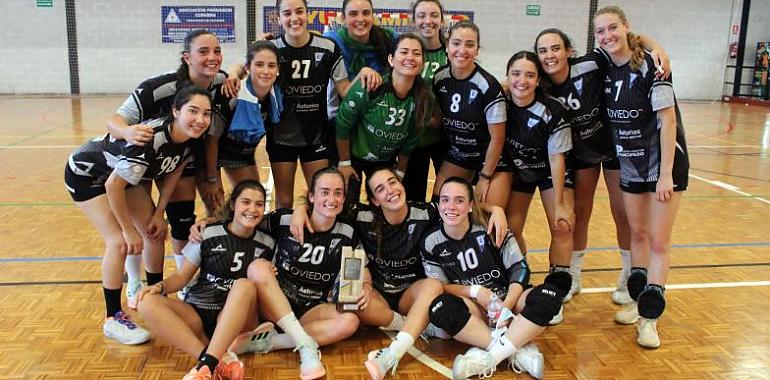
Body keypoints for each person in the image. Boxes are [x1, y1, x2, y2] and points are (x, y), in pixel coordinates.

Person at [289, 167, 510, 379]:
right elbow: (325, 205)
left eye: (392, 182)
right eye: (380, 189)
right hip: (377, 295)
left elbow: (457, 204)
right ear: (374, 200)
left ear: (401, 184)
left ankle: (393, 352)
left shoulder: (425, 212)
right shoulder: (361, 216)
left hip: (409, 295)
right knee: (348, 296)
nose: (390, 190)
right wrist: (300, 209)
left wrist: (496, 209)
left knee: (433, 285)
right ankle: (414, 323)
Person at [64, 86, 212, 345]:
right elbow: (112, 186)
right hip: (87, 176)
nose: (200, 119)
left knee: (155, 233)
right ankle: (113, 318)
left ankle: (153, 296)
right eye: (193, 111)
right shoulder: (151, 140)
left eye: (206, 113)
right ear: (175, 111)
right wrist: (128, 230)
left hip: (122, 176)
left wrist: (158, 213)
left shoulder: (192, 138)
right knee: (119, 242)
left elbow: (173, 173)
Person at [534, 28, 670, 304]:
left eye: (556, 48)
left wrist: (657, 47)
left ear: (569, 51)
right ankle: (572, 274)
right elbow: (514, 82)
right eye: (544, 50)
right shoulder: (541, 83)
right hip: (580, 154)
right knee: (580, 213)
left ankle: (630, 275)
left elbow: (630, 37)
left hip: (612, 149)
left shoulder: (590, 63)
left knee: (622, 214)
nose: (550, 55)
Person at [107, 29, 232, 304]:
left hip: (180, 158)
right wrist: (128, 133)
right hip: (142, 156)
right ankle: (135, 282)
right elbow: (115, 120)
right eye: (203, 52)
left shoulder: (220, 80)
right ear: (186, 57)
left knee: (180, 219)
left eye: (217, 51)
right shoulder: (158, 88)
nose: (212, 57)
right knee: (145, 227)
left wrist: (238, 73)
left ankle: (181, 281)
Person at [594, 5, 689, 348]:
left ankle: (651, 319)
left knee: (659, 242)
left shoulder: (651, 66)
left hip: (664, 165)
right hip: (630, 163)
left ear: (626, 28)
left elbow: (668, 121)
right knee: (638, 233)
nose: (607, 36)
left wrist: (665, 175)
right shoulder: (605, 66)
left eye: (612, 28)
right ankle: (638, 300)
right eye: (601, 31)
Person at [421, 177, 563, 379]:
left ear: (471, 205)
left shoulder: (491, 226)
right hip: (473, 307)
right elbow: (440, 286)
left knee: (550, 295)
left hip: (509, 300)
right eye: (445, 200)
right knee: (440, 307)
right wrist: (475, 291)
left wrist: (506, 306)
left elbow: (519, 269)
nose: (451, 206)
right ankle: (516, 349)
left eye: (459, 200)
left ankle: (490, 356)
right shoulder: (430, 241)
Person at [225, 0, 361, 209]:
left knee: (318, 198)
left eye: (299, 12)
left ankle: (314, 240)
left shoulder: (328, 47)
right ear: (278, 18)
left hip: (316, 137)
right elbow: (245, 65)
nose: (294, 18)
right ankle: (285, 241)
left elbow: (343, 89)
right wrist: (234, 73)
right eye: (287, 13)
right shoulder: (272, 47)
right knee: (285, 201)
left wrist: (363, 75)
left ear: (308, 14)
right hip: (281, 137)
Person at [227, 167, 358, 380]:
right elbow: (243, 221)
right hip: (275, 301)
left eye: (338, 193)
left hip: (310, 307)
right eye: (324, 192)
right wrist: (209, 224)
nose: (331, 199)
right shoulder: (283, 220)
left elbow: (355, 273)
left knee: (350, 321)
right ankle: (306, 345)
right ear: (311, 197)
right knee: (258, 267)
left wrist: (354, 290)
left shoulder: (348, 233)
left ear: (344, 198)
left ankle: (271, 342)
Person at [137, 180, 275, 380]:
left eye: (259, 204)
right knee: (146, 301)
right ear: (232, 204)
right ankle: (209, 359)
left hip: (237, 318)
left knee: (244, 285)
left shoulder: (268, 243)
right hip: (198, 312)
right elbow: (182, 277)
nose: (252, 209)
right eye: (246, 202)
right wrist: (159, 286)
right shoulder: (208, 234)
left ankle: (207, 366)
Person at [486, 51, 574, 323]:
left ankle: (556, 290)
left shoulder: (553, 110)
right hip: (519, 172)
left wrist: (559, 202)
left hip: (550, 171)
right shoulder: (500, 103)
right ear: (507, 76)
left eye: (529, 75)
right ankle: (520, 277)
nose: (521, 81)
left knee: (561, 224)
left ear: (538, 80)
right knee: (510, 229)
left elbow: (557, 158)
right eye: (516, 74)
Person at [336, 33, 430, 197]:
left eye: (416, 53)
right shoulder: (370, 87)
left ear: (422, 64)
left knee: (387, 201)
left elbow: (410, 142)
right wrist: (344, 162)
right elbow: (343, 125)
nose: (410, 57)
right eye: (404, 52)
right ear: (391, 59)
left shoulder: (424, 99)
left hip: (385, 160)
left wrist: (399, 173)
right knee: (348, 203)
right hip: (352, 155)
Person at [202, 41, 281, 212]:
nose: (266, 71)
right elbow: (211, 140)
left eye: (271, 66)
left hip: (241, 154)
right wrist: (212, 178)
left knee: (251, 199)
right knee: (215, 209)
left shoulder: (276, 96)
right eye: (259, 65)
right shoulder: (233, 94)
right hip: (208, 155)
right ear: (248, 68)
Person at [431, 21, 505, 203]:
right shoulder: (440, 77)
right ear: (447, 46)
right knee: (439, 201)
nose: (462, 50)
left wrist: (485, 177)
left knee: (485, 215)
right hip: (459, 154)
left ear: (477, 50)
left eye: (470, 45)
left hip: (489, 158)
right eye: (456, 43)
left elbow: (498, 138)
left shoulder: (487, 85)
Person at [402, 0, 449, 202]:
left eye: (434, 15)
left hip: (445, 138)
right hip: (414, 138)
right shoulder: (407, 52)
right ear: (413, 20)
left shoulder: (451, 51)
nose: (428, 21)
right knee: (413, 198)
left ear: (442, 19)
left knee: (447, 194)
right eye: (421, 16)